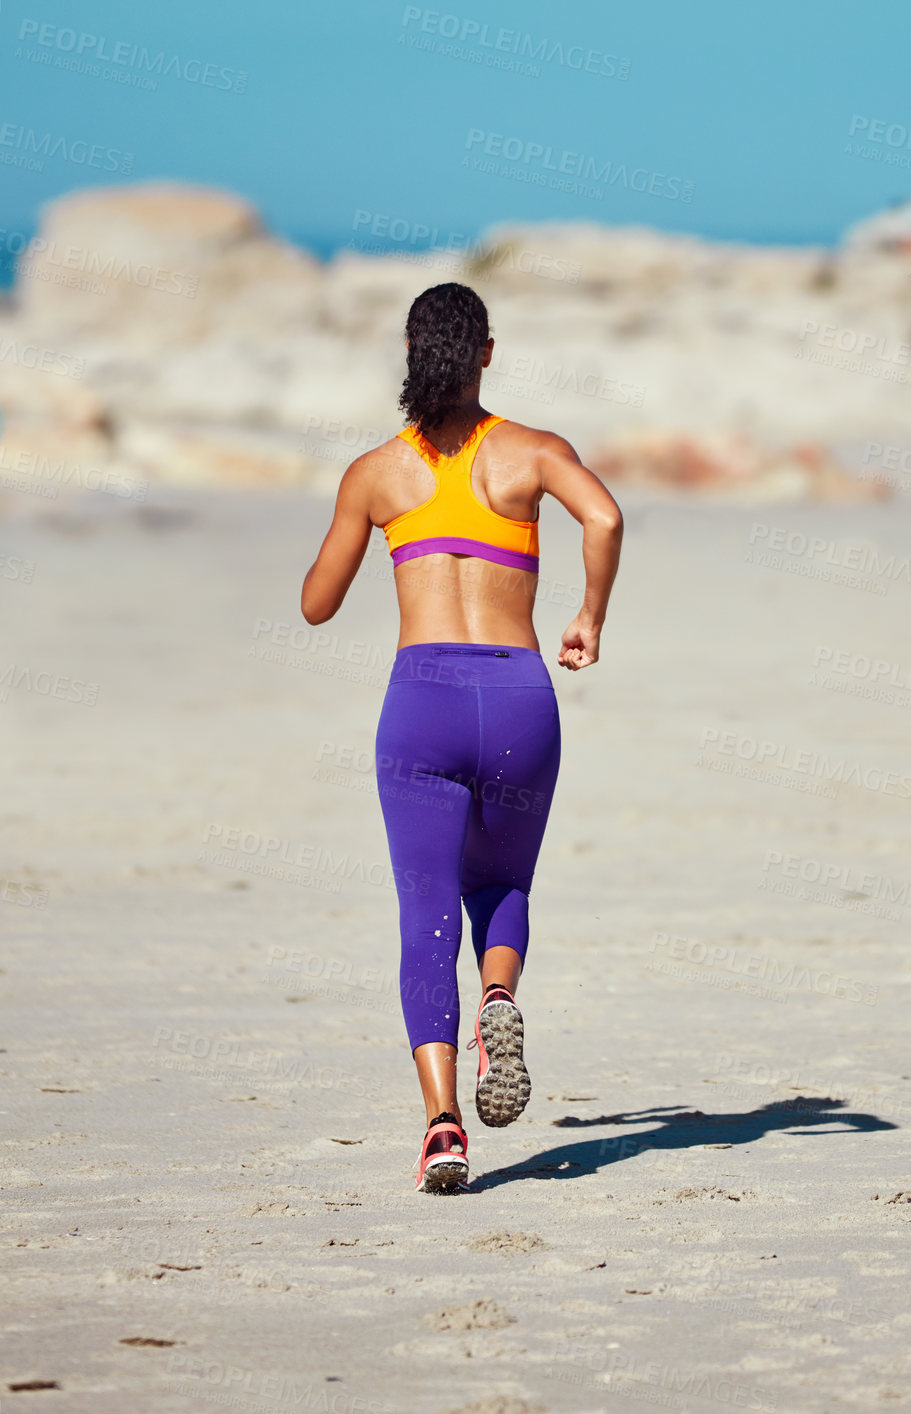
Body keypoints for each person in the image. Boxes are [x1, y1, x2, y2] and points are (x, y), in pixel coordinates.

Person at [300, 282, 623, 1193]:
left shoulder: (375, 473)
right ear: (486, 353)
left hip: (422, 705)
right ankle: (498, 997)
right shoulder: (532, 452)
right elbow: (604, 516)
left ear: (411, 353)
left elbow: (315, 607)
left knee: (423, 915)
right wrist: (589, 618)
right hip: (520, 698)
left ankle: (444, 1127)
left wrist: (360, 526)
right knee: (502, 881)